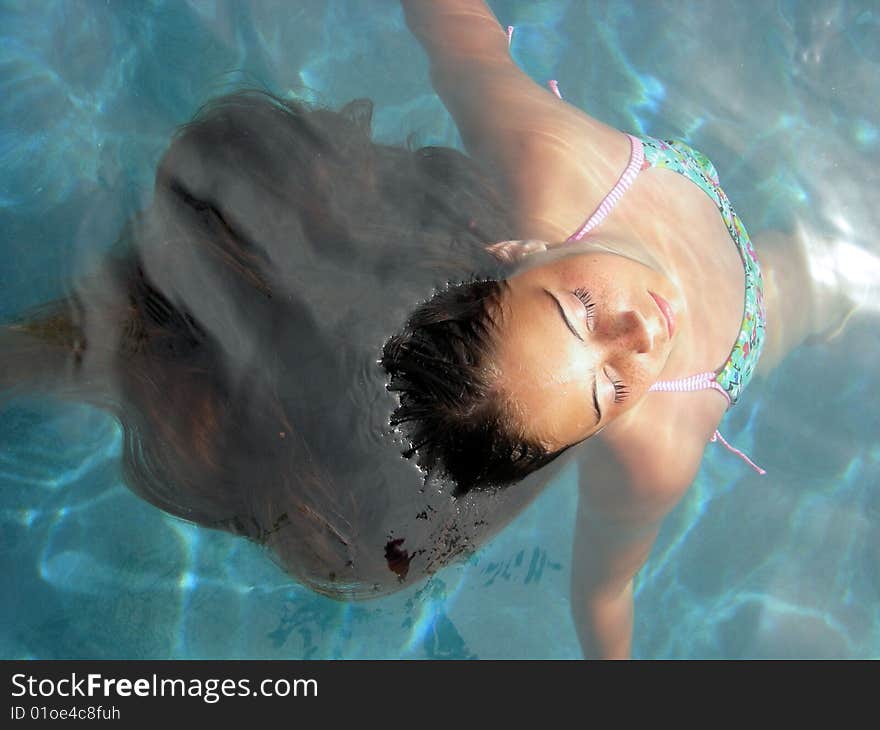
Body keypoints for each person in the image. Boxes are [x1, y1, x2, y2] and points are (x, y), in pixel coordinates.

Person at [383, 0, 869, 657]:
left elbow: (463, 42)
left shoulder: (544, 155)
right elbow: (604, 594)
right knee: (831, 277)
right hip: (770, 296)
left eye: (581, 307)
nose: (640, 334)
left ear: (519, 252)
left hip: (651, 186)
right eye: (610, 390)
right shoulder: (656, 450)